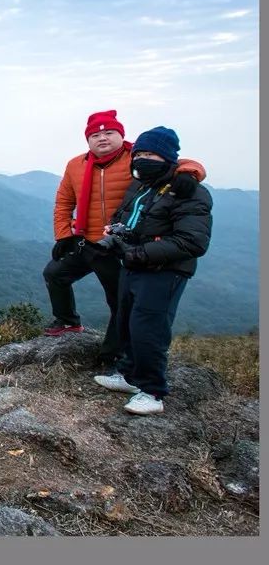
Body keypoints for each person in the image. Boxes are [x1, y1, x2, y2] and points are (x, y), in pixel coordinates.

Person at [43, 110, 206, 369]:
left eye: (109, 132)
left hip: (121, 245)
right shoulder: (76, 164)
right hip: (87, 240)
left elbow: (176, 162)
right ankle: (68, 321)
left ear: (121, 135)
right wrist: (63, 235)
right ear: (88, 140)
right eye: (95, 135)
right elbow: (64, 201)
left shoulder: (137, 158)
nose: (103, 138)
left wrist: (189, 172)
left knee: (120, 301)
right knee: (55, 273)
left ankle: (112, 355)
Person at [92, 126, 213, 415]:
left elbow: (192, 241)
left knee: (149, 328)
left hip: (164, 270)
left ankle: (153, 392)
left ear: (168, 157)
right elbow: (125, 214)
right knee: (127, 321)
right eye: (140, 154)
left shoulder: (189, 190)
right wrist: (115, 231)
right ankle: (129, 375)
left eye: (152, 154)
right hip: (133, 264)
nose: (143, 159)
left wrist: (141, 252)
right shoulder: (142, 185)